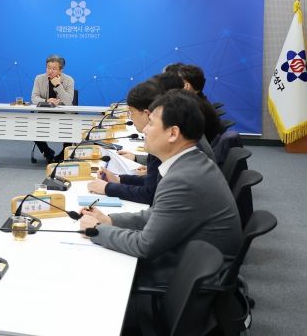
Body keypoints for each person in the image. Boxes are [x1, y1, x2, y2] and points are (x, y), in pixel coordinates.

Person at [79, 90, 242, 288]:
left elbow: (144, 245)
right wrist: (110, 220)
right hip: (193, 261)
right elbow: (157, 214)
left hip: (192, 278)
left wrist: (96, 230)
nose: (145, 130)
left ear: (173, 133)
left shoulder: (182, 179)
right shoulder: (191, 162)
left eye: (151, 123)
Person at [86, 81, 162, 205]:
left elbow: (149, 194)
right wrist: (118, 179)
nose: (130, 117)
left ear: (146, 114)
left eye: (131, 112)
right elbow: (152, 183)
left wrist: (107, 188)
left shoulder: (160, 144)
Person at [31, 55, 75, 163]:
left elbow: (68, 102)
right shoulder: (39, 78)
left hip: (64, 114)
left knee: (70, 125)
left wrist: (58, 85)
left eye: (54, 68)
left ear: (61, 70)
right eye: (48, 67)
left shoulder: (69, 80)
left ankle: (64, 153)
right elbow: (34, 98)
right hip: (44, 113)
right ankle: (47, 152)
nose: (50, 71)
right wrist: (47, 101)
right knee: (32, 126)